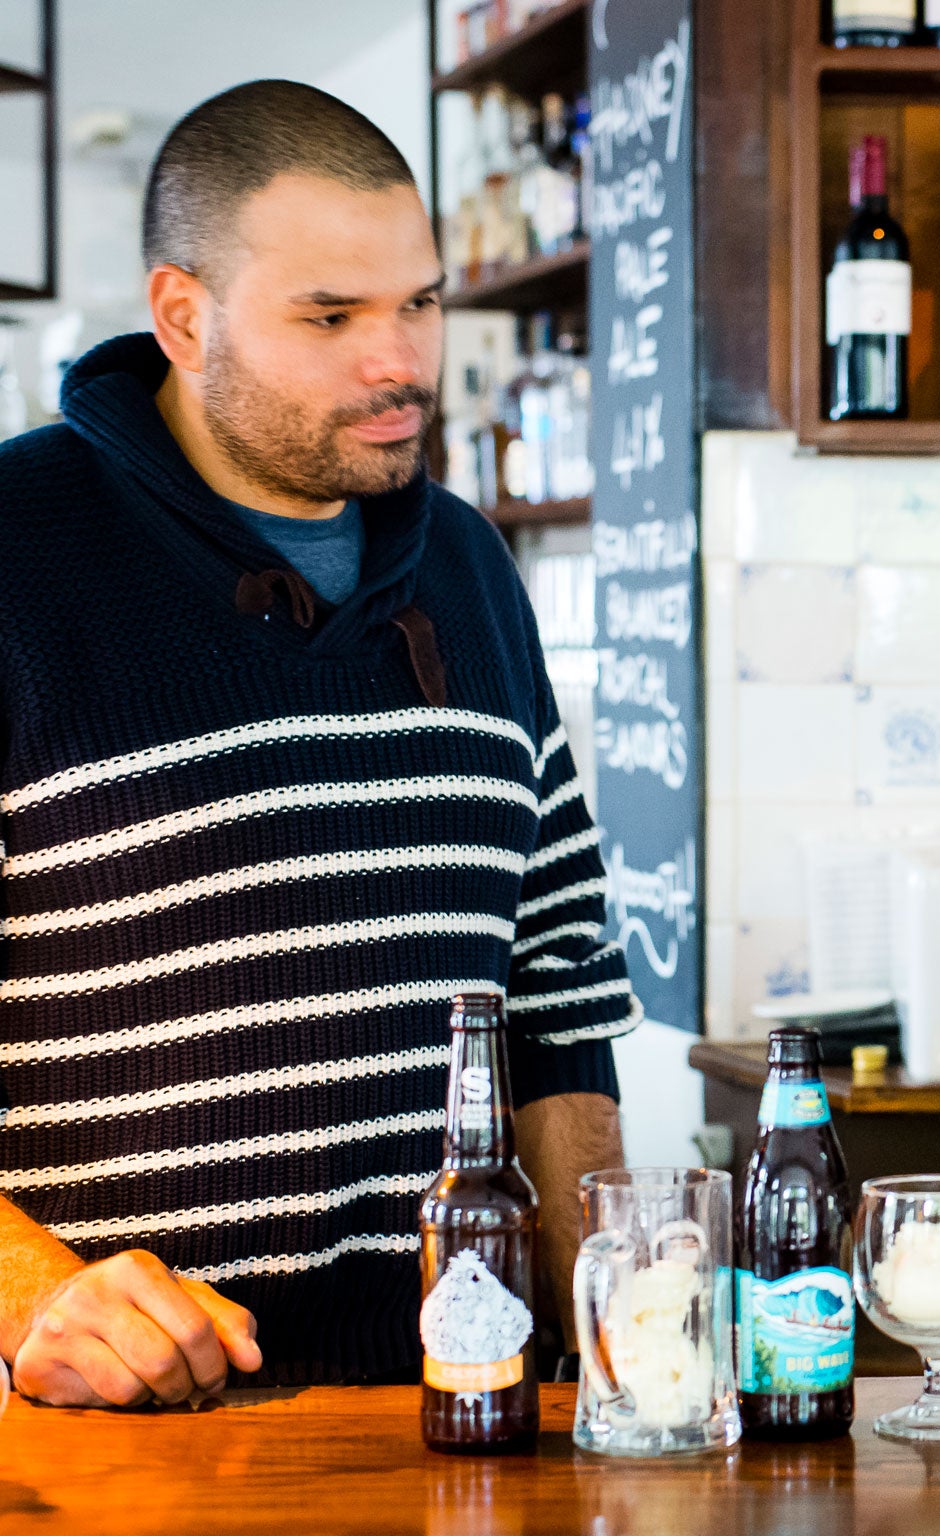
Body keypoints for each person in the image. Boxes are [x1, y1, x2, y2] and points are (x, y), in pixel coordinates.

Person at [0, 81, 638, 1406]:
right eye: (331, 317)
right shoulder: (18, 549)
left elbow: (557, 989)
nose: (399, 361)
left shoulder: (470, 568)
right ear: (185, 315)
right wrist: (35, 1296)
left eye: (418, 303)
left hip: (467, 1414)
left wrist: (612, 1342)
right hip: (120, 1442)